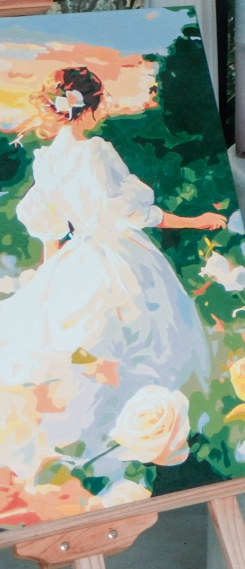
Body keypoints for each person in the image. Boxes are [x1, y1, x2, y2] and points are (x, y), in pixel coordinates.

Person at [0, 66, 219, 476]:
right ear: (90, 106)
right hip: (119, 254)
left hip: (78, 258)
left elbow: (49, 228)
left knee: (93, 348)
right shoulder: (96, 151)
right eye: (103, 101)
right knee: (147, 335)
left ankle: (107, 440)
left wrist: (50, 282)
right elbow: (134, 213)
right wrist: (195, 221)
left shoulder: (48, 160)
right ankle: (148, 434)